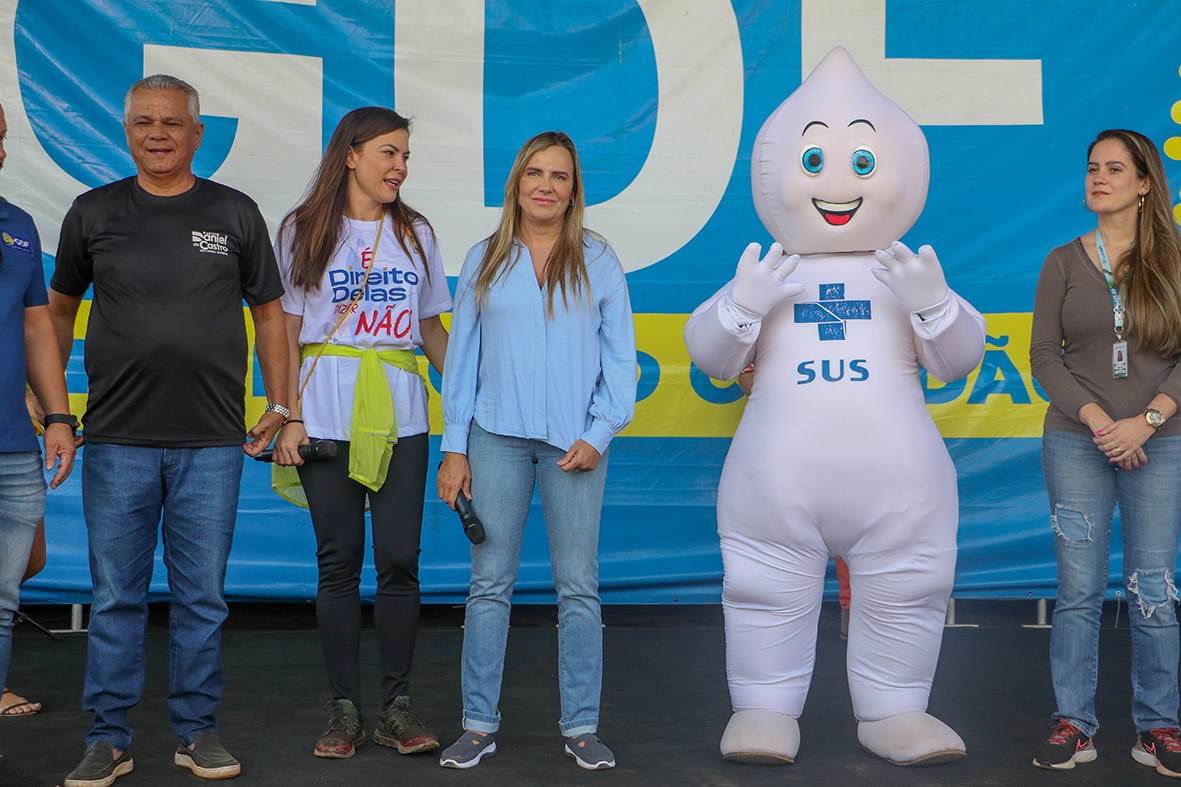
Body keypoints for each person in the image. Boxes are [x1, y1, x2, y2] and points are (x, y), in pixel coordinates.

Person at [48, 75, 289, 786]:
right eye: (144, 121)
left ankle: (196, 731)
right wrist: (51, 397)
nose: (158, 132)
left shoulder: (235, 212)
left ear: (197, 133)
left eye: (172, 122)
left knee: (201, 598)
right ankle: (108, 737)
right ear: (126, 130)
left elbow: (270, 314)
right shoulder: (92, 212)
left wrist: (282, 402)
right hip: (116, 438)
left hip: (212, 442)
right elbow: (56, 310)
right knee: (116, 596)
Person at [436, 131, 636, 771]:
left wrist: (598, 433)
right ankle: (477, 724)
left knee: (578, 587)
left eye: (560, 176)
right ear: (516, 183)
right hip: (493, 438)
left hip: (575, 445)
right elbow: (461, 363)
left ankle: (581, 727)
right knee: (489, 585)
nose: (546, 186)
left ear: (575, 189)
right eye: (535, 174)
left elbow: (621, 362)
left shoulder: (599, 260)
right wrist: (455, 449)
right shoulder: (483, 259)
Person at [271, 107, 449, 760]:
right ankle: (343, 708)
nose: (399, 166)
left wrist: (469, 397)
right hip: (322, 415)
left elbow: (430, 329)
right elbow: (286, 330)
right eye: (388, 153)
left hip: (402, 416)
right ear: (350, 154)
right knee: (338, 561)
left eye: (405, 156)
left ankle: (396, 708)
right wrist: (286, 412)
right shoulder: (301, 228)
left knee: (400, 560)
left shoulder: (417, 232)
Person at [1030, 129, 1181, 777]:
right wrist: (1096, 419)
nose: (1098, 178)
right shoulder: (1061, 261)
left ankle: (1158, 727)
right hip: (1074, 440)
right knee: (1077, 590)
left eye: (1113, 169)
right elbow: (1042, 356)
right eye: (1091, 167)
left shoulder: (1173, 261)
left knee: (1153, 588)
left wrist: (1145, 421)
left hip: (1159, 442)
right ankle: (1073, 723)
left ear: (1143, 183)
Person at [0, 98, 74, 787]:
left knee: (9, 582)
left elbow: (37, 331)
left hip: (12, 440)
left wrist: (57, 414)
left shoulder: (18, 226)